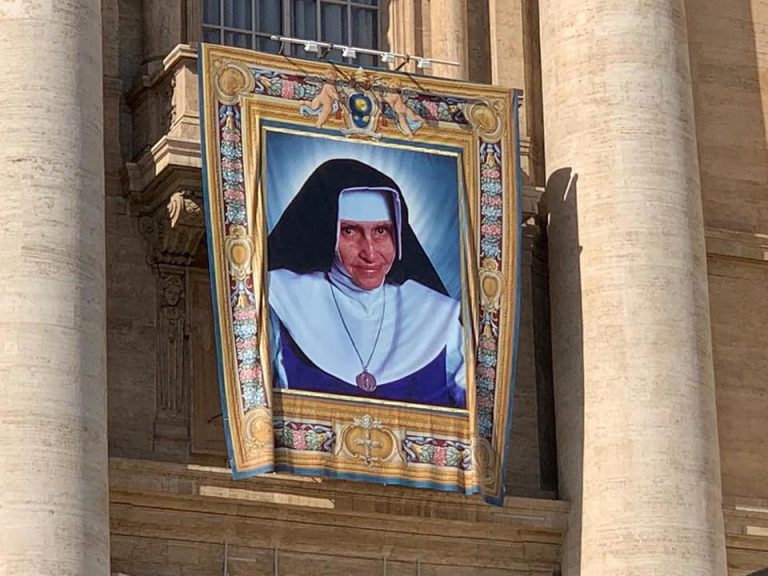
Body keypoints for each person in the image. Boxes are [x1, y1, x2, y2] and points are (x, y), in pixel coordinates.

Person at [267, 159, 466, 408]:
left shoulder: (438, 315)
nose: (370, 253)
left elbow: (478, 409)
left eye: (381, 231)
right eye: (350, 231)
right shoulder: (280, 300)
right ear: (325, 232)